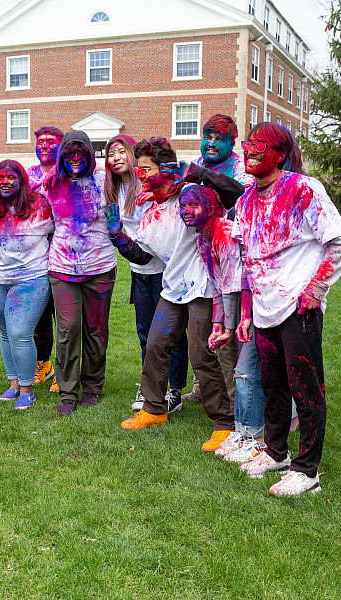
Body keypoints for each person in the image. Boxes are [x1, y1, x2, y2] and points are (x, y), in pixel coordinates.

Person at [234, 122, 341, 496]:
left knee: (306, 389)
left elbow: (339, 240)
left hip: (298, 307)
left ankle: (307, 471)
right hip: (264, 307)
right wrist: (247, 313)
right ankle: (276, 452)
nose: (250, 149)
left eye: (260, 144)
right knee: (273, 386)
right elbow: (246, 261)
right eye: (248, 143)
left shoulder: (303, 188)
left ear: (280, 154)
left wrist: (316, 289)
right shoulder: (245, 201)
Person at [106, 137, 239, 452]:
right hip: (174, 285)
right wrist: (116, 234)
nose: (141, 174)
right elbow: (143, 256)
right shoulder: (150, 209)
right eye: (139, 168)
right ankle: (153, 408)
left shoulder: (194, 195)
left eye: (147, 168)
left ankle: (224, 424)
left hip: (204, 287)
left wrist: (195, 173)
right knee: (156, 345)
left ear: (167, 167)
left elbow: (236, 195)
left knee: (201, 354)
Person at [178, 184, 266, 463]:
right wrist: (218, 324)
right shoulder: (204, 238)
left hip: (254, 303)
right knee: (235, 366)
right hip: (235, 305)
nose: (185, 211)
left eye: (193, 205)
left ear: (212, 208)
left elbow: (235, 285)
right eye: (182, 206)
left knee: (247, 368)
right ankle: (241, 429)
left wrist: (232, 325)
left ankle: (256, 432)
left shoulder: (224, 235)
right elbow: (217, 286)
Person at [103, 133, 188, 411]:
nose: (115, 158)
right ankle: (151, 385)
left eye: (120, 151)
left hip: (165, 268)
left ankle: (173, 389)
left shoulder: (151, 181)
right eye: (110, 154)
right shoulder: (114, 189)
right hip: (139, 268)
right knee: (145, 332)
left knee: (170, 333)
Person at [173, 114, 254, 405]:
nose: (211, 143)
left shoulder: (240, 167)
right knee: (203, 327)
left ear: (231, 142)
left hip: (232, 258)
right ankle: (202, 387)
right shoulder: (199, 164)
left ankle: (233, 403)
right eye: (208, 136)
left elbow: (239, 194)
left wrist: (201, 176)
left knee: (227, 333)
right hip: (200, 258)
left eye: (219, 139)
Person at [45, 130, 116, 415]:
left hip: (99, 268)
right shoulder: (51, 182)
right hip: (62, 268)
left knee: (96, 332)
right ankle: (67, 391)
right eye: (69, 154)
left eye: (81, 153)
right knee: (67, 329)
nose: (75, 159)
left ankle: (93, 386)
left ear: (90, 154)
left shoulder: (105, 180)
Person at [0, 160, 55, 410]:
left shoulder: (40, 206)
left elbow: (60, 229)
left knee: (20, 334)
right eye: (0, 177)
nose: (5, 181)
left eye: (11, 177)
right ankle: (13, 384)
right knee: (5, 334)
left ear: (21, 180)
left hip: (31, 279)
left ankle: (27, 389)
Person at [26, 126, 64, 392]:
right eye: (41, 141)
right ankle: (43, 362)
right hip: (35, 254)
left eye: (51, 142)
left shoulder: (66, 174)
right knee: (39, 315)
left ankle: (64, 369)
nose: (45, 145)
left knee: (65, 317)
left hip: (64, 252)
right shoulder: (27, 175)